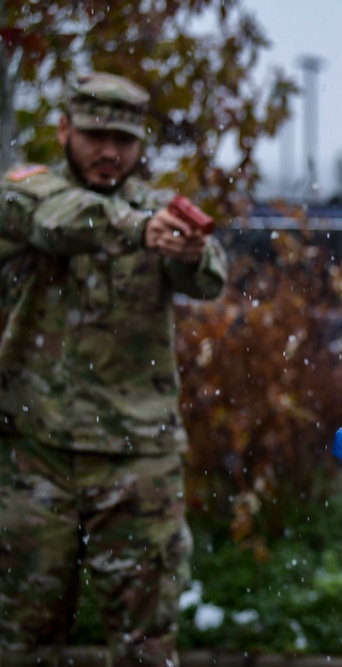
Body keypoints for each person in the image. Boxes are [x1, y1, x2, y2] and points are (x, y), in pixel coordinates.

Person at [0, 72, 227, 666]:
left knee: (146, 644)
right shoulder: (30, 190)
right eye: (96, 135)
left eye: (124, 140)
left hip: (136, 454)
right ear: (65, 130)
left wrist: (191, 251)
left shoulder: (160, 209)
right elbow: (55, 219)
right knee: (22, 637)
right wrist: (135, 228)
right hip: (34, 450)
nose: (110, 152)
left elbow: (210, 276)